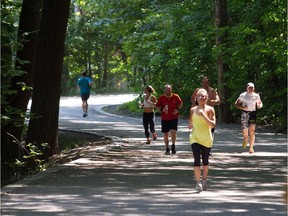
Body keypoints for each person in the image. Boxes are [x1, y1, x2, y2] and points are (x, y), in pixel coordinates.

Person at [188, 88, 216, 192]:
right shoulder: (192, 110)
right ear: (196, 98)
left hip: (207, 138)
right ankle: (198, 182)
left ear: (207, 98)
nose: (202, 97)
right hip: (195, 137)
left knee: (205, 161)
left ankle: (204, 180)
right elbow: (190, 123)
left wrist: (203, 115)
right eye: (200, 96)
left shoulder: (210, 109)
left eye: (204, 96)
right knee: (196, 159)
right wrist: (190, 125)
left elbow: (212, 125)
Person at [191, 76, 220, 155]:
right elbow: (192, 97)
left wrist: (212, 101)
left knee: (210, 131)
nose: (205, 84)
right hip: (199, 113)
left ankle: (208, 147)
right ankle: (199, 147)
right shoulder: (198, 90)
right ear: (201, 83)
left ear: (209, 83)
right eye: (203, 82)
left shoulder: (212, 91)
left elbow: (218, 101)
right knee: (199, 129)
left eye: (206, 82)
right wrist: (194, 106)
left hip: (209, 114)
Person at [235, 82, 263, 154]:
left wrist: (260, 105)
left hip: (253, 113)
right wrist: (242, 107)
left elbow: (260, 102)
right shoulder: (243, 95)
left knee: (252, 130)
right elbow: (236, 104)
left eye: (252, 87)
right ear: (246, 88)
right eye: (249, 87)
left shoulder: (256, 96)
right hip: (245, 113)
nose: (250, 89)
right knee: (245, 129)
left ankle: (251, 148)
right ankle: (245, 138)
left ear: (254, 88)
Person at [156, 84, 183, 155]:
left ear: (171, 90)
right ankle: (167, 148)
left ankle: (173, 145)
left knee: (173, 131)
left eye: (169, 89)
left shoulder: (175, 96)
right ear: (164, 90)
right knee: (166, 133)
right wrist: (162, 109)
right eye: (166, 89)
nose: (168, 90)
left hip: (174, 117)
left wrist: (177, 109)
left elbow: (180, 104)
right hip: (165, 118)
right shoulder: (161, 98)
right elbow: (157, 107)